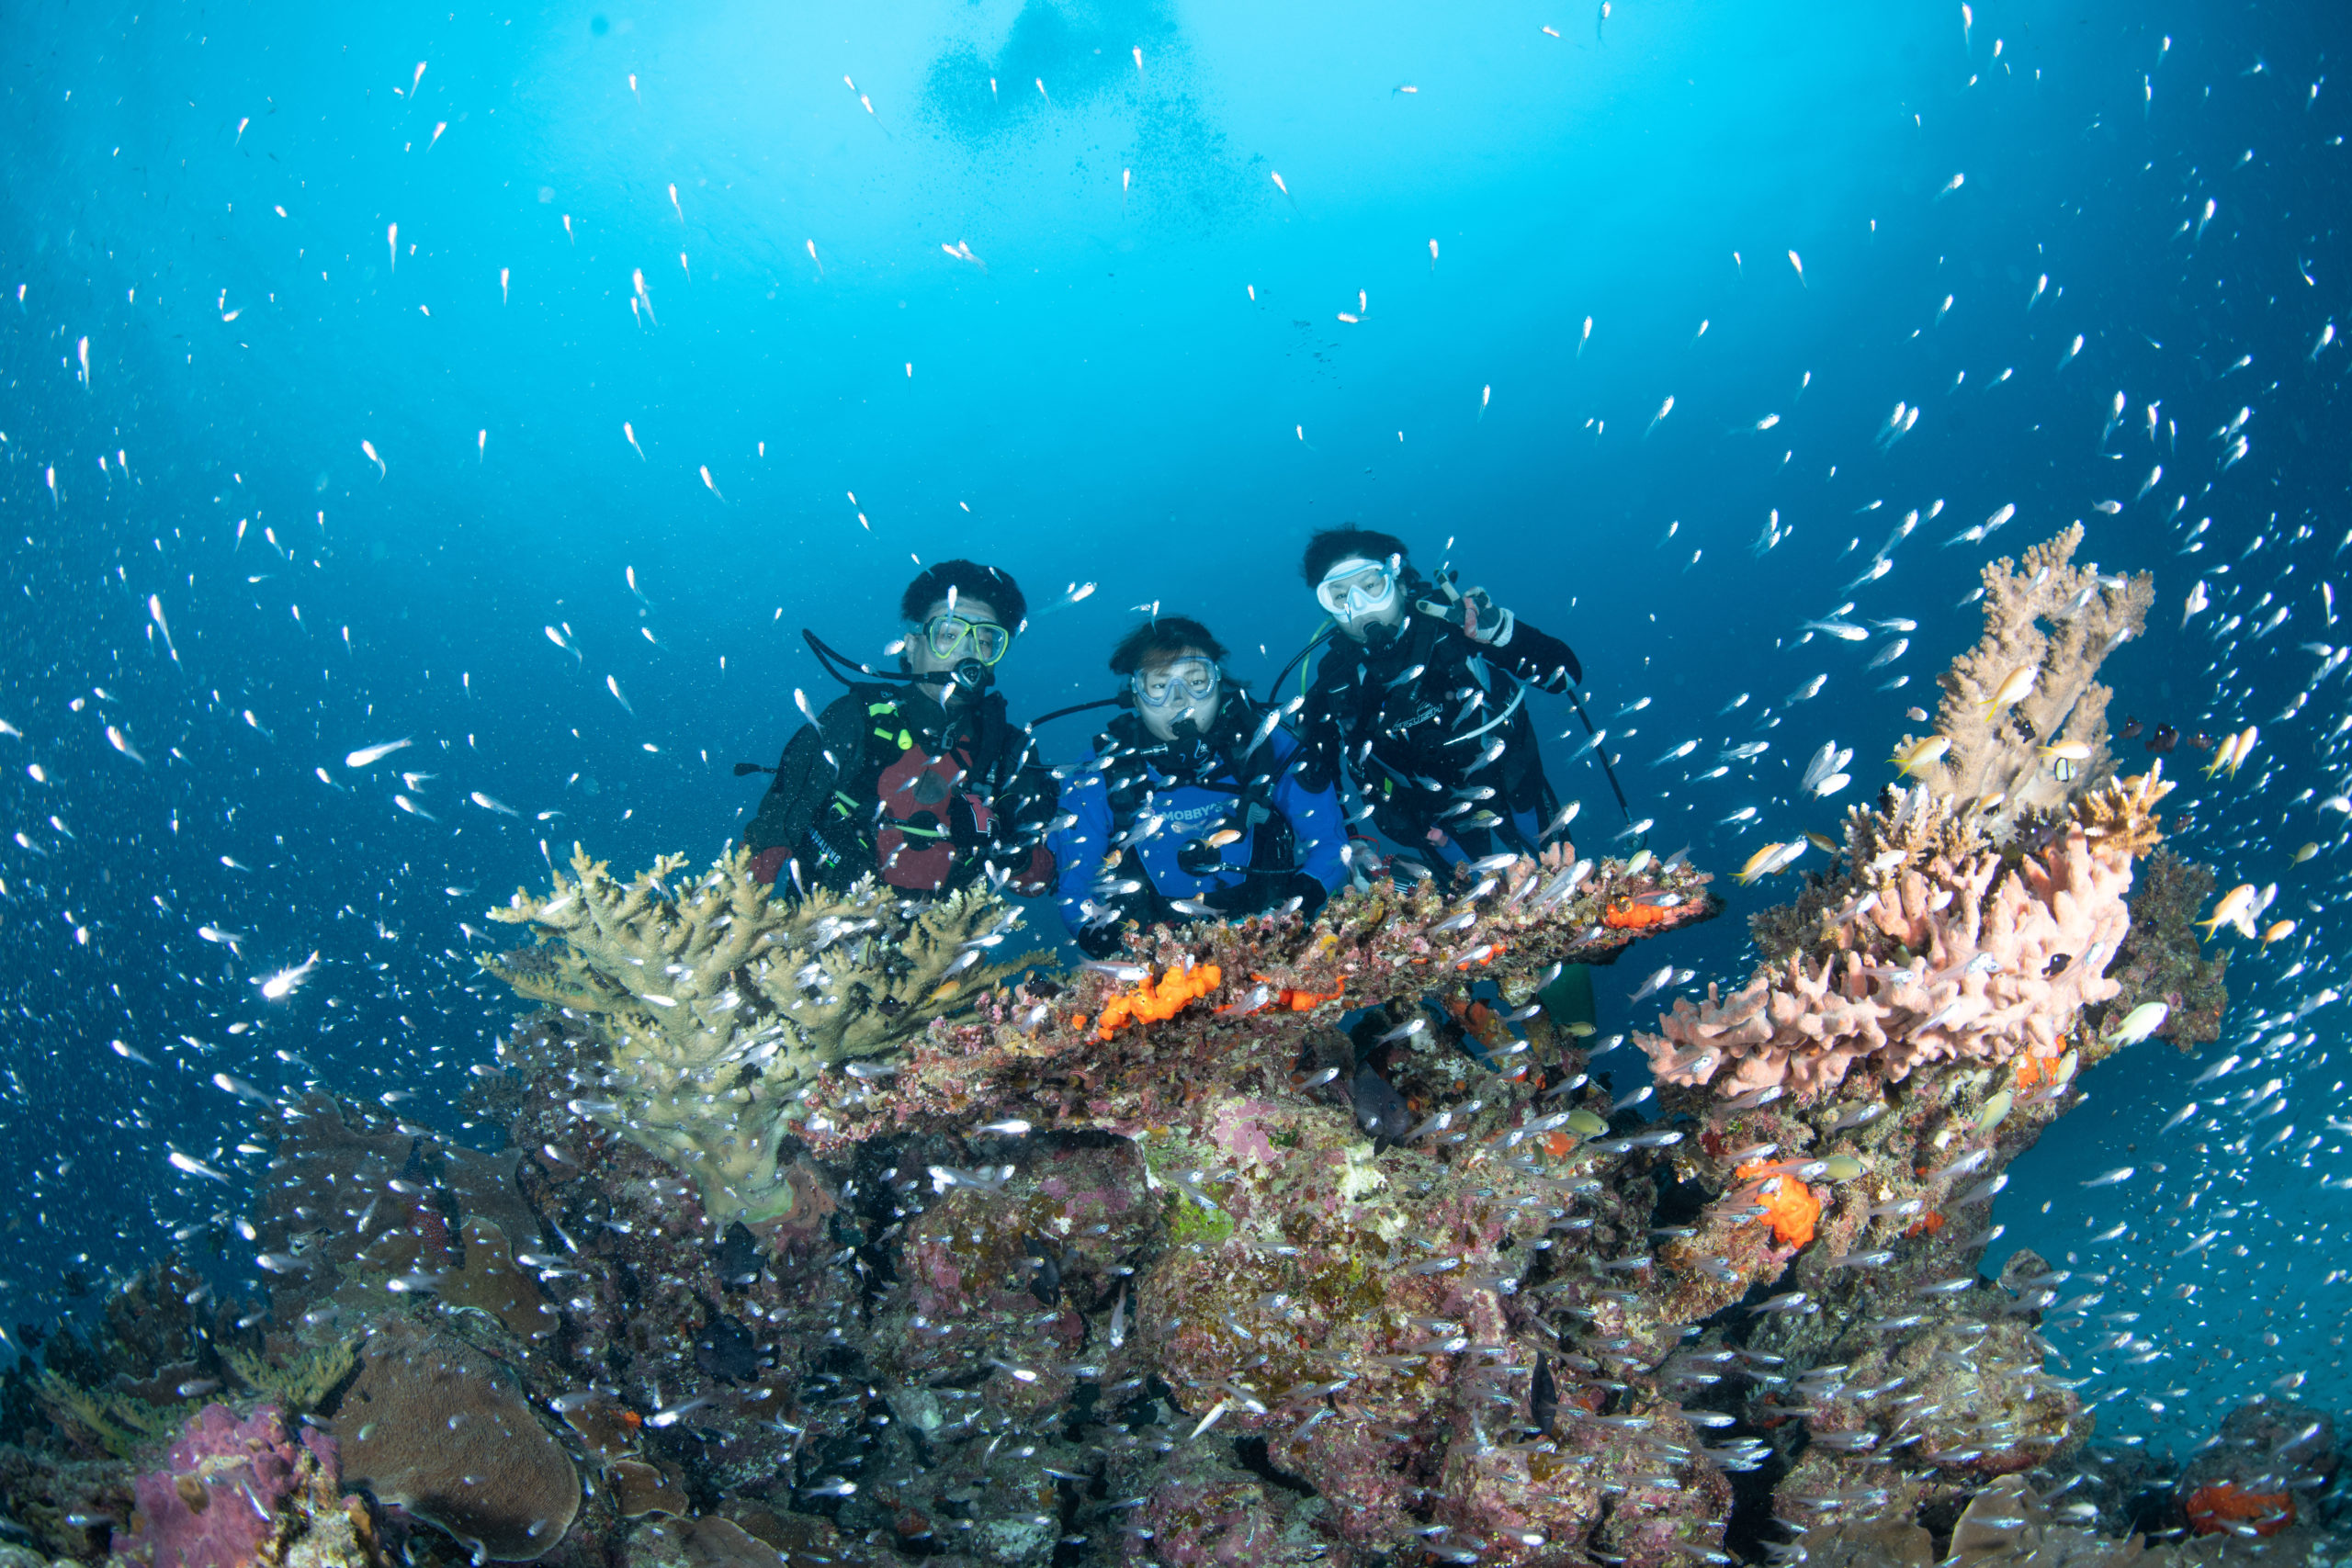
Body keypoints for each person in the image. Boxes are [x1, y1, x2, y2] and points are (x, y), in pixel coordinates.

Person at [741, 560, 1057, 898]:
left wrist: (1008, 847)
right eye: (949, 635)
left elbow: (1036, 883)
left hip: (948, 930)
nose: (967, 652)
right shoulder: (855, 720)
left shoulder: (1009, 750)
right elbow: (767, 839)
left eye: (985, 640)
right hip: (824, 924)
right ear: (912, 645)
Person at [1293, 525, 1585, 878]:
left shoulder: (1455, 623)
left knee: (1560, 880)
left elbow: (1566, 677)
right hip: (1432, 817)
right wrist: (1351, 841)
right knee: (1473, 904)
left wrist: (1505, 634)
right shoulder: (1335, 681)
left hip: (1512, 780)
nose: (1359, 607)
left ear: (1399, 582)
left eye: (1371, 586)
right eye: (1339, 596)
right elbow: (1317, 776)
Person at [1050, 616, 1346, 956]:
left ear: (1218, 683)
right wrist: (1121, 951)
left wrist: (1291, 911)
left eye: (1196, 681)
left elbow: (1331, 844)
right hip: (1153, 958)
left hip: (1271, 943)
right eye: (1159, 686)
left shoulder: (1268, 748)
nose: (1180, 701)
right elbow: (1075, 889)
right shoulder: (1099, 773)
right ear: (1135, 695)